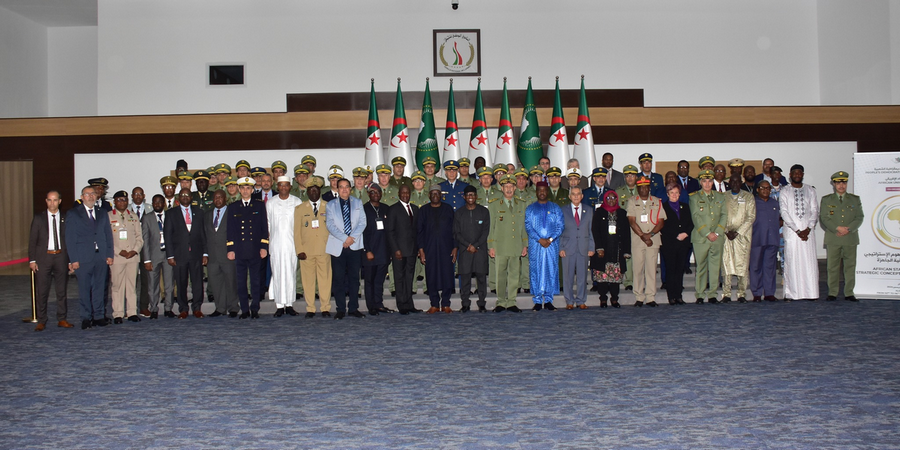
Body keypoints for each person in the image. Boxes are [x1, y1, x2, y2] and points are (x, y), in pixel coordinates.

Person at [66, 186, 114, 329]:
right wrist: (73, 259)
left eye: (93, 194)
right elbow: (70, 238)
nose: (91, 196)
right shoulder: (73, 213)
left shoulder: (102, 212)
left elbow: (108, 234)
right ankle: (86, 317)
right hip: (83, 257)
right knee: (85, 289)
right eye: (87, 194)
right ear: (82, 197)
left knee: (100, 288)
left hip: (101, 257)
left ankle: (99, 316)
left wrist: (109, 254)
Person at [28, 190, 73, 331]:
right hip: (44, 258)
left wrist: (70, 260)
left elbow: (69, 240)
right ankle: (42, 320)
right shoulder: (39, 218)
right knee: (42, 291)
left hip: (61, 257)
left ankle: (62, 318)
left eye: (55, 200)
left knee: (61, 290)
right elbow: (32, 240)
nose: (52, 203)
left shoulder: (66, 217)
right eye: (49, 200)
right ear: (46, 201)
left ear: (60, 201)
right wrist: (32, 260)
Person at [226, 176, 269, 319]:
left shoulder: (259, 206)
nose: (245, 191)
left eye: (248, 188)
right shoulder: (233, 207)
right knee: (241, 282)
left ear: (252, 190)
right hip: (239, 250)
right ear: (239, 190)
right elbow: (230, 230)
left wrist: (264, 246)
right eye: (243, 188)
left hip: (255, 249)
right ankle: (244, 309)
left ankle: (255, 308)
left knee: (256, 281)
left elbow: (264, 227)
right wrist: (230, 249)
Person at [325, 178, 366, 319]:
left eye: (346, 186)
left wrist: (351, 238)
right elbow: (330, 225)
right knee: (338, 279)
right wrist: (344, 238)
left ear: (350, 189)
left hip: (354, 245)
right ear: (337, 189)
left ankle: (353, 308)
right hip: (338, 245)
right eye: (341, 187)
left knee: (354, 278)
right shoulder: (330, 205)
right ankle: (340, 309)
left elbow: (362, 222)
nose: (344, 189)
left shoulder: (358, 203)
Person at [293, 176, 333, 318]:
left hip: (324, 250)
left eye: (316, 190)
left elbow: (333, 229)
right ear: (307, 191)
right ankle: (310, 308)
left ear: (320, 191)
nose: (313, 192)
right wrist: (299, 250)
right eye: (311, 190)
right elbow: (296, 232)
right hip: (307, 251)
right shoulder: (300, 208)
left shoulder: (328, 206)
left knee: (325, 280)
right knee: (308, 281)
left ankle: (325, 307)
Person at [819, 171, 862, 302]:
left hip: (850, 237)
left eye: (844, 182)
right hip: (834, 237)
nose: (841, 185)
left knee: (850, 266)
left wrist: (848, 229)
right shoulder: (827, 200)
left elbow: (859, 217)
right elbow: (824, 218)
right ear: (833, 184)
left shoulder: (855, 199)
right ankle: (832, 292)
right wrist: (837, 228)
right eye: (838, 183)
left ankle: (849, 292)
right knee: (832, 267)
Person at [488, 175, 528, 312]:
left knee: (514, 275)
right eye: (506, 187)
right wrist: (491, 246)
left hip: (516, 245)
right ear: (502, 188)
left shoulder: (521, 204)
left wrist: (524, 244)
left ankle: (511, 302)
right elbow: (491, 227)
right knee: (500, 275)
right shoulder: (494, 204)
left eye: (511, 186)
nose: (509, 189)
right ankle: (500, 301)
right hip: (500, 246)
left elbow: (523, 226)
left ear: (515, 188)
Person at [165, 188, 206, 319]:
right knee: (181, 283)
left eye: (187, 195)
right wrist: (170, 255)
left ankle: (197, 308)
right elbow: (167, 236)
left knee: (197, 283)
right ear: (179, 198)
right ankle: (183, 309)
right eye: (182, 195)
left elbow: (203, 234)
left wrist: (205, 253)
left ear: (191, 197)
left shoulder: (199, 212)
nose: (185, 197)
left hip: (196, 254)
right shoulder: (171, 213)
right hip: (179, 255)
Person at [780, 164, 819, 301]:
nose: (797, 175)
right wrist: (797, 230)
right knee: (792, 261)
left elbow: (815, 210)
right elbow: (784, 212)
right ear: (790, 175)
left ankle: (811, 293)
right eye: (794, 173)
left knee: (808, 262)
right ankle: (791, 293)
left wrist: (808, 228)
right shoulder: (785, 191)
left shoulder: (810, 190)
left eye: (799, 173)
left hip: (808, 232)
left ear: (803, 175)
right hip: (792, 232)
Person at [626, 176, 667, 307]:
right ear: (637, 188)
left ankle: (650, 297)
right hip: (638, 240)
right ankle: (639, 296)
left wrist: (650, 235)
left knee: (651, 269)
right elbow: (632, 221)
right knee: (637, 269)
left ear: (649, 188)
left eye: (646, 187)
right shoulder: (632, 201)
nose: (643, 189)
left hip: (653, 240)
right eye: (641, 187)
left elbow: (661, 221)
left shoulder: (657, 201)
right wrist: (643, 236)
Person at [417, 185, 458, 313]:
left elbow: (455, 230)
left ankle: (446, 303)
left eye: (437, 193)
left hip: (446, 247)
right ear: (429, 195)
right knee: (431, 275)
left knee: (447, 274)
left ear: (441, 195)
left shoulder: (448, 209)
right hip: (429, 248)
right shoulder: (423, 210)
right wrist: (421, 250)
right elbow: (419, 231)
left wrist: (455, 247)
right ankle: (434, 304)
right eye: (433, 193)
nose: (435, 196)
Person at [266, 176, 302, 317]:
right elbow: (268, 224)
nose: (283, 188)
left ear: (290, 187)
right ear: (277, 187)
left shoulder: (297, 202)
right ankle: (279, 305)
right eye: (281, 185)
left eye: (286, 185)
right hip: (275, 244)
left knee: (290, 273)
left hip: (292, 244)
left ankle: (289, 304)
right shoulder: (271, 203)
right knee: (277, 273)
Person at [526, 182, 564, 310]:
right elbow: (528, 227)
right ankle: (537, 300)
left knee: (550, 270)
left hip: (551, 245)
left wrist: (550, 239)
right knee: (536, 270)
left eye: (544, 190)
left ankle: (548, 300)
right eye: (539, 190)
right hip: (536, 245)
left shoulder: (555, 208)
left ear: (547, 192)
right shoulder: (530, 208)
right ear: (536, 192)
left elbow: (560, 226)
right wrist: (539, 239)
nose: (542, 193)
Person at [690, 169, 727, 304]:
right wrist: (707, 233)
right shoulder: (694, 197)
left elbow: (724, 215)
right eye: (704, 181)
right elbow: (695, 216)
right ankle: (700, 294)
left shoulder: (720, 197)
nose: (707, 184)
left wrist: (716, 232)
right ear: (700, 182)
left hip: (717, 237)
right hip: (701, 237)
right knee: (701, 266)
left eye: (710, 181)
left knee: (715, 267)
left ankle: (712, 294)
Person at [108, 190, 144, 323]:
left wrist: (134, 250)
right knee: (117, 286)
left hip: (132, 257)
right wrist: (119, 251)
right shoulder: (109, 216)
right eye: (119, 200)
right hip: (117, 257)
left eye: (124, 200)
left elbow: (139, 237)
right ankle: (118, 313)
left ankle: (132, 312)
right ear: (114, 202)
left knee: (131, 285)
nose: (122, 202)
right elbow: (107, 239)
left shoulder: (133, 216)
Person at [454, 185, 490, 312]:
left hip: (480, 250)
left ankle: (482, 303)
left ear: (476, 196)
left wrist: (475, 245)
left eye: (473, 195)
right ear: (464, 197)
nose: (470, 197)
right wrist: (468, 245)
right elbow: (457, 233)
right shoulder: (459, 213)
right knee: (465, 278)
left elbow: (485, 231)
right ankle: (465, 303)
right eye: (468, 195)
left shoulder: (484, 212)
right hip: (465, 250)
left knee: (481, 278)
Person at [591, 191, 630, 308]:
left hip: (617, 249)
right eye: (609, 198)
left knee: (615, 277)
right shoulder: (599, 212)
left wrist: (626, 250)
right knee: (602, 276)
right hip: (603, 249)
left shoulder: (622, 213)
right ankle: (603, 299)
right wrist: (599, 248)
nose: (611, 200)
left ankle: (614, 299)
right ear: (605, 199)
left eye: (614, 198)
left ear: (617, 199)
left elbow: (626, 233)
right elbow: (595, 230)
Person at [386, 185, 421, 315]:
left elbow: (416, 231)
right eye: (403, 192)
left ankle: (409, 304)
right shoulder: (393, 209)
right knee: (399, 278)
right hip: (399, 251)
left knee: (409, 278)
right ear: (399, 194)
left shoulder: (415, 209)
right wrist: (395, 249)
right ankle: (401, 305)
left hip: (412, 250)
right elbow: (390, 232)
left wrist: (418, 248)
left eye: (407, 193)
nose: (405, 195)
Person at [560, 187, 595, 309]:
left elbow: (591, 230)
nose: (576, 196)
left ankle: (581, 300)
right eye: (573, 194)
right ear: (569, 196)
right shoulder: (563, 210)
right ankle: (569, 301)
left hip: (583, 247)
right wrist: (560, 247)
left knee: (582, 276)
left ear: (582, 196)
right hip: (568, 247)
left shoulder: (589, 210)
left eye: (578, 194)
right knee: (568, 277)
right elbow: (560, 230)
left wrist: (591, 247)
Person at [204, 190, 238, 317]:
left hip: (228, 254)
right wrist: (205, 253)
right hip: (212, 255)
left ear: (225, 198)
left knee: (231, 282)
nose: (217, 200)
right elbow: (204, 235)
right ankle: (220, 308)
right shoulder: (207, 215)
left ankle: (233, 308)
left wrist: (234, 250)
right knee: (216, 284)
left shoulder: (232, 213)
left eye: (220, 197)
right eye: (215, 197)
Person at [141, 194, 175, 318]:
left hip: (168, 255)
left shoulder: (170, 216)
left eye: (160, 202)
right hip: (153, 255)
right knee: (152, 284)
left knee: (169, 284)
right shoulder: (147, 218)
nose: (157, 204)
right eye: (155, 202)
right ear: (152, 203)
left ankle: (168, 308)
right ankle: (154, 309)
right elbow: (145, 239)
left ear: (164, 203)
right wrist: (147, 259)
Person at [361, 184, 393, 315]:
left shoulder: (386, 208)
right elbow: (362, 232)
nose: (376, 195)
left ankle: (379, 304)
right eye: (373, 192)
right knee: (370, 280)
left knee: (379, 280)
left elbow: (390, 231)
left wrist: (390, 251)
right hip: (370, 251)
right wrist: (367, 250)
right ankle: (371, 306)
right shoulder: (364, 209)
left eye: (378, 192)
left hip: (383, 251)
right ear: (368, 194)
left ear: (381, 194)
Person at [660, 183, 693, 305]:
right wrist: (676, 235)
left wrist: (686, 233)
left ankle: (679, 295)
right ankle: (671, 297)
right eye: (671, 193)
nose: (674, 195)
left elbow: (690, 223)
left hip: (683, 243)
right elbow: (662, 226)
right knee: (670, 270)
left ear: (680, 194)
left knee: (679, 270)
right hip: (669, 244)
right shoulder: (663, 207)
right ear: (667, 194)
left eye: (676, 192)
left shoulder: (685, 206)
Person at [750, 181, 781, 302]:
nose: (765, 190)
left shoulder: (775, 203)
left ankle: (769, 293)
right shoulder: (752, 203)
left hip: (772, 240)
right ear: (757, 189)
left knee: (770, 268)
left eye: (768, 188)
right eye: (763, 188)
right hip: (757, 239)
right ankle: (757, 293)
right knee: (755, 267)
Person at [616, 164, 640, 290]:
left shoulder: (642, 190)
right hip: (625, 228)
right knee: (627, 254)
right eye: (627, 176)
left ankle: (638, 280)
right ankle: (629, 281)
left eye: (632, 175)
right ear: (624, 178)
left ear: (636, 177)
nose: (630, 178)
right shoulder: (618, 192)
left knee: (639, 254)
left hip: (640, 227)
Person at [130, 187, 153, 315]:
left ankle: (144, 306)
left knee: (146, 279)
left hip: (146, 249)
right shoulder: (126, 209)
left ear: (144, 196)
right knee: (130, 280)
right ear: (132, 196)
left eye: (140, 194)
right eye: (135, 194)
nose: (138, 196)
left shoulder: (150, 208)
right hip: (131, 249)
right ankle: (130, 308)